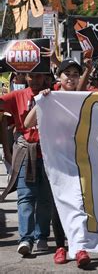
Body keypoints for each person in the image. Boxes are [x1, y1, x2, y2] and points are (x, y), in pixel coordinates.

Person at [24, 59, 91, 267]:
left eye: (75, 74)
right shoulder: (48, 97)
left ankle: (79, 247)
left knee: (79, 204)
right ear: (58, 77)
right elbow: (27, 124)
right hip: (55, 162)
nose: (71, 77)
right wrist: (41, 102)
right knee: (58, 205)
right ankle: (60, 247)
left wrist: (88, 69)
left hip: (79, 160)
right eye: (67, 73)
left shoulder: (81, 98)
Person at [0, 72, 52, 257]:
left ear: (46, 77)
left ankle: (42, 236)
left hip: (49, 155)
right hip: (25, 153)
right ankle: (26, 239)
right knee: (26, 197)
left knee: (46, 199)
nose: (36, 80)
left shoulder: (52, 93)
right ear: (25, 77)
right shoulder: (16, 96)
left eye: (40, 76)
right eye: (32, 76)